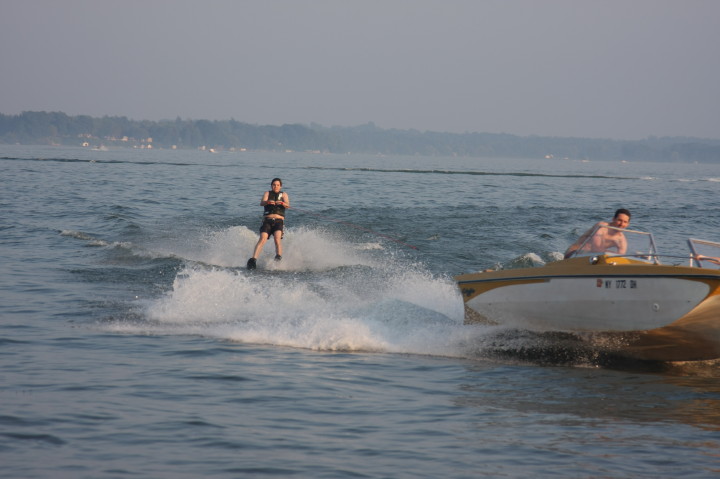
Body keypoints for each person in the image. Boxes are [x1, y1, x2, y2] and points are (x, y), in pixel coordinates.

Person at [247, 178, 290, 269]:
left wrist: (282, 202)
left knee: (277, 239)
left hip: (279, 221)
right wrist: (267, 202)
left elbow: (287, 205)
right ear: (271, 185)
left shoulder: (284, 194)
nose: (276, 186)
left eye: (277, 185)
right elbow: (262, 203)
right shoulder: (267, 193)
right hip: (267, 220)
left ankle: (278, 258)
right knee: (263, 238)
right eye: (274, 185)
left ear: (280, 186)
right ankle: (253, 260)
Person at [564, 208, 631, 259]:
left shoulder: (621, 240)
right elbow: (595, 249)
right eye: (619, 220)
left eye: (625, 222)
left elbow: (620, 257)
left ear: (628, 224)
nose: (622, 224)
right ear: (613, 219)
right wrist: (613, 253)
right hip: (574, 253)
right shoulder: (602, 227)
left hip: (591, 258)